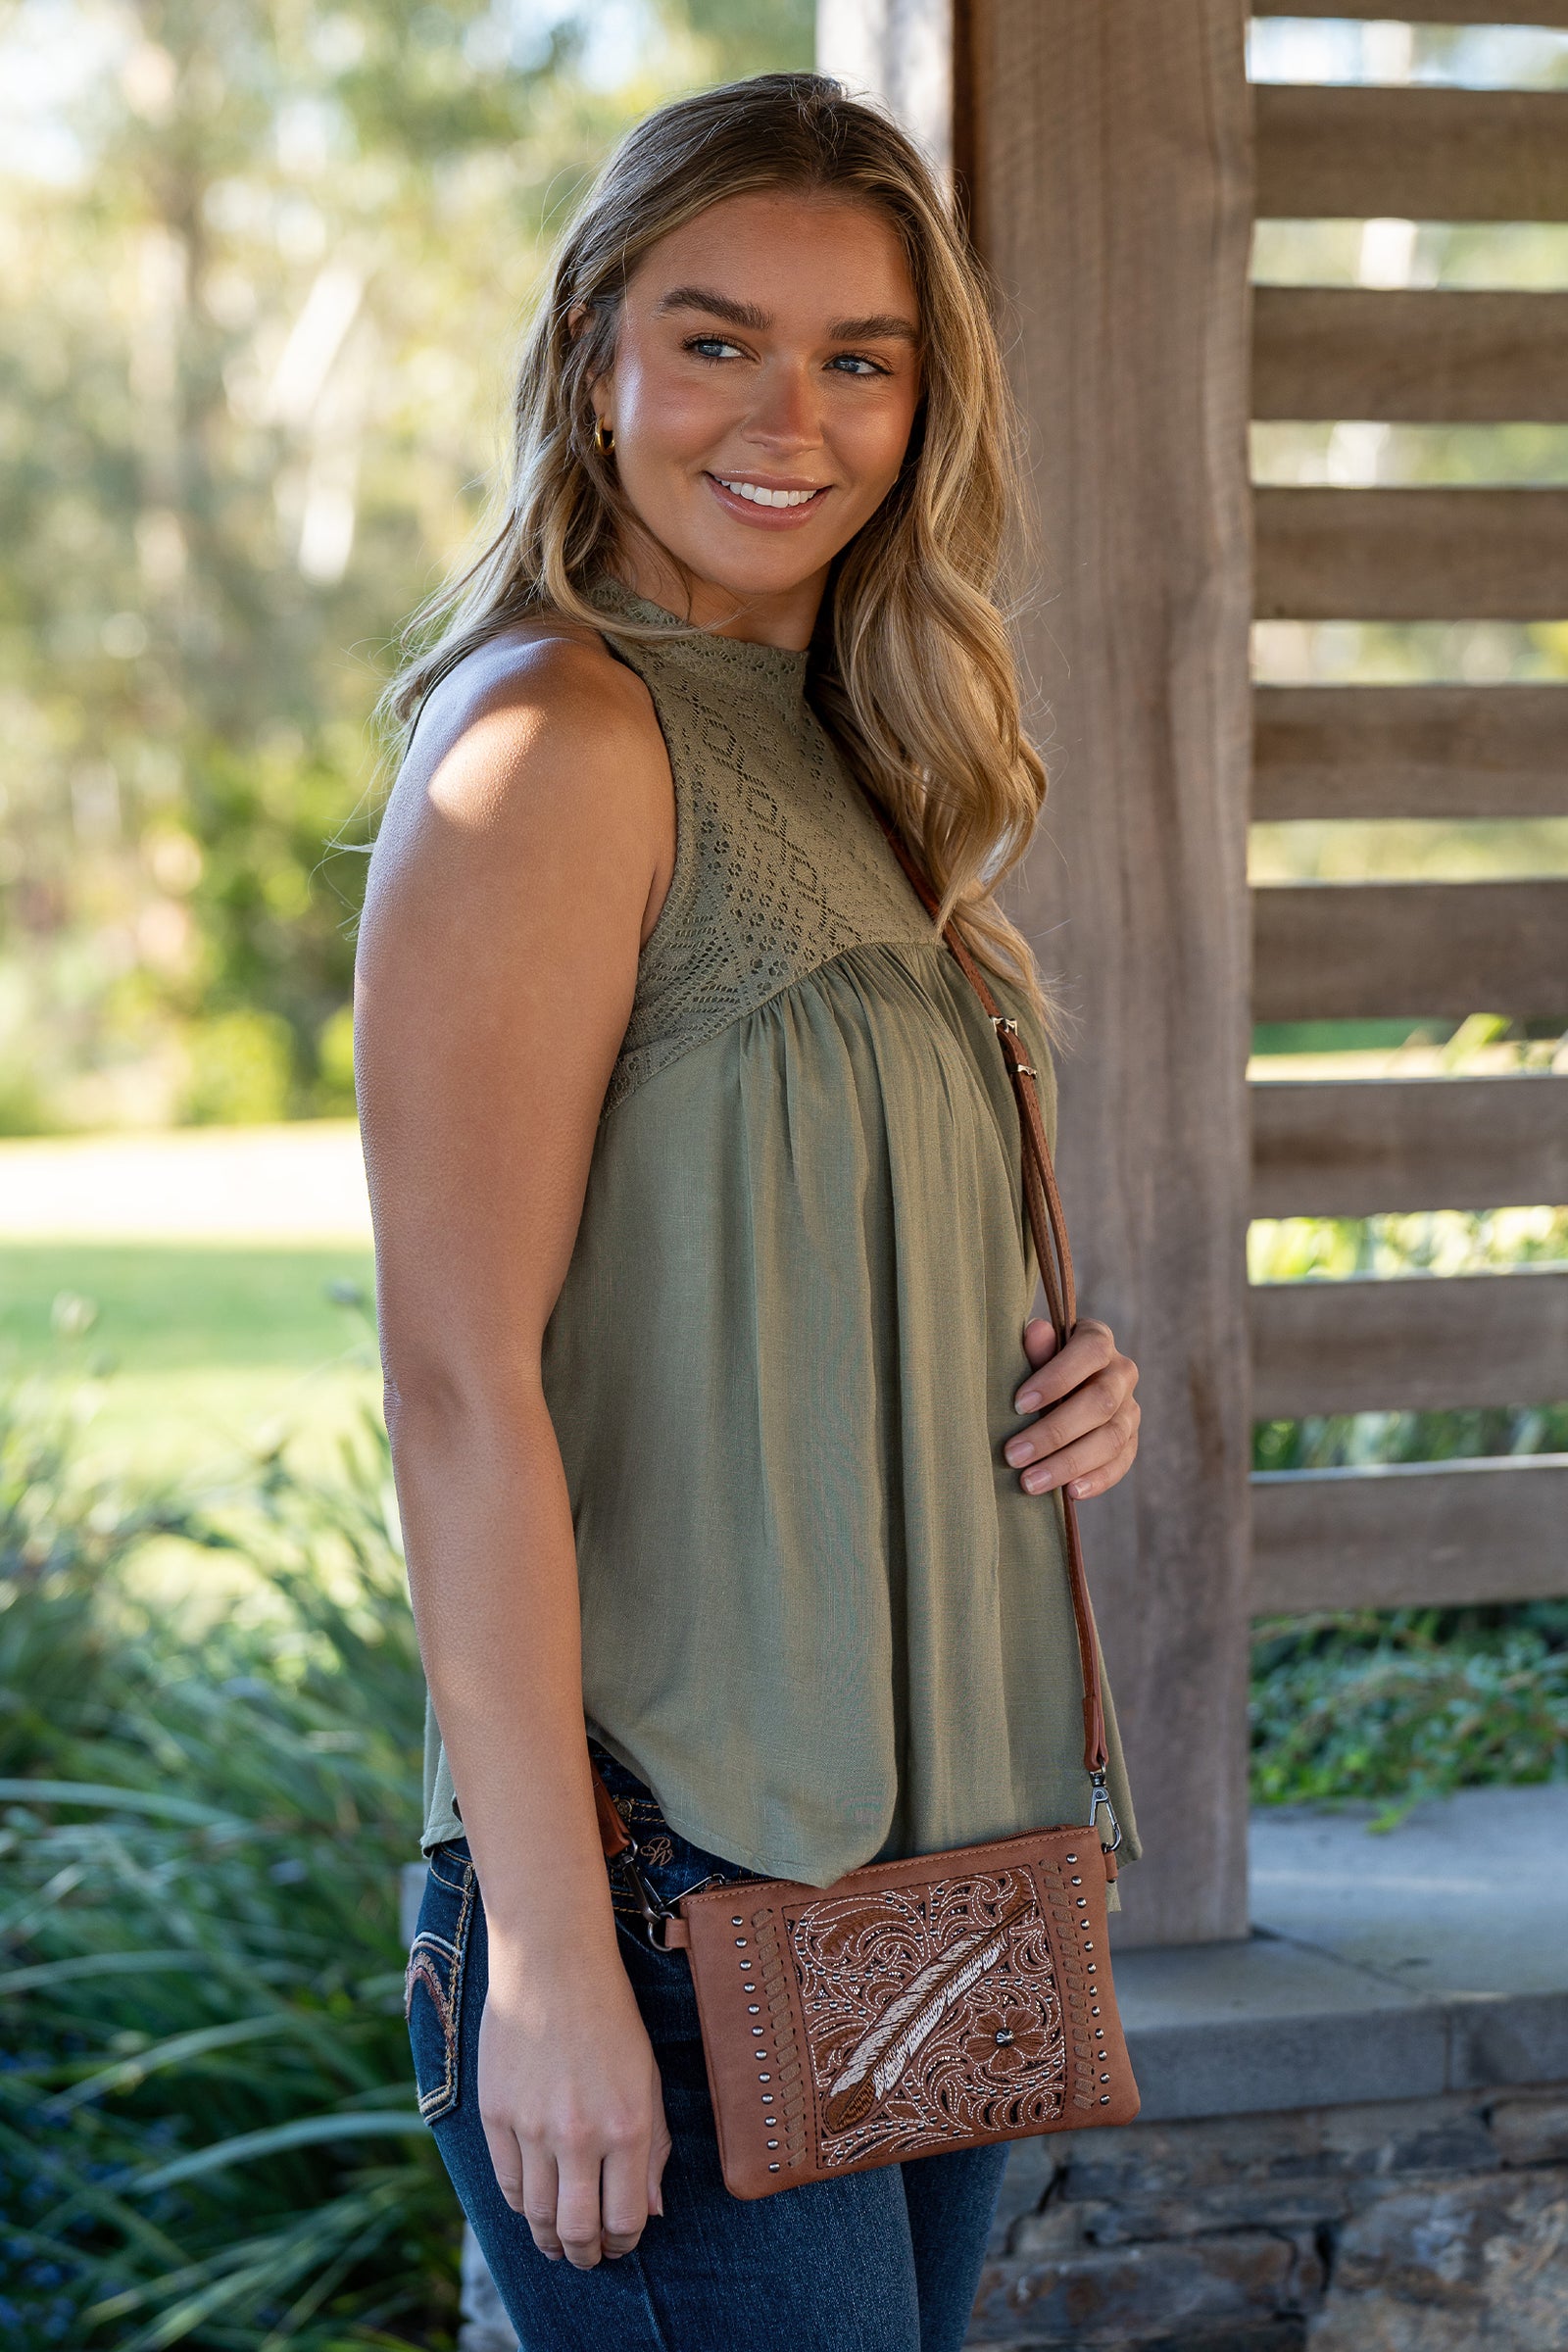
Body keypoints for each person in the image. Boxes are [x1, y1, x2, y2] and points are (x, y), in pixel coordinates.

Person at [355, 71, 1142, 2352]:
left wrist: (1046, 1370)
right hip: (674, 1896)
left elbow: (797, 1247)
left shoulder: (857, 745)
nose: (785, 414)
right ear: (595, 354)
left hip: (937, 1884)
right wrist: (548, 1960)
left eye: (857, 356)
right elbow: (451, 1379)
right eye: (713, 339)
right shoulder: (551, 745)